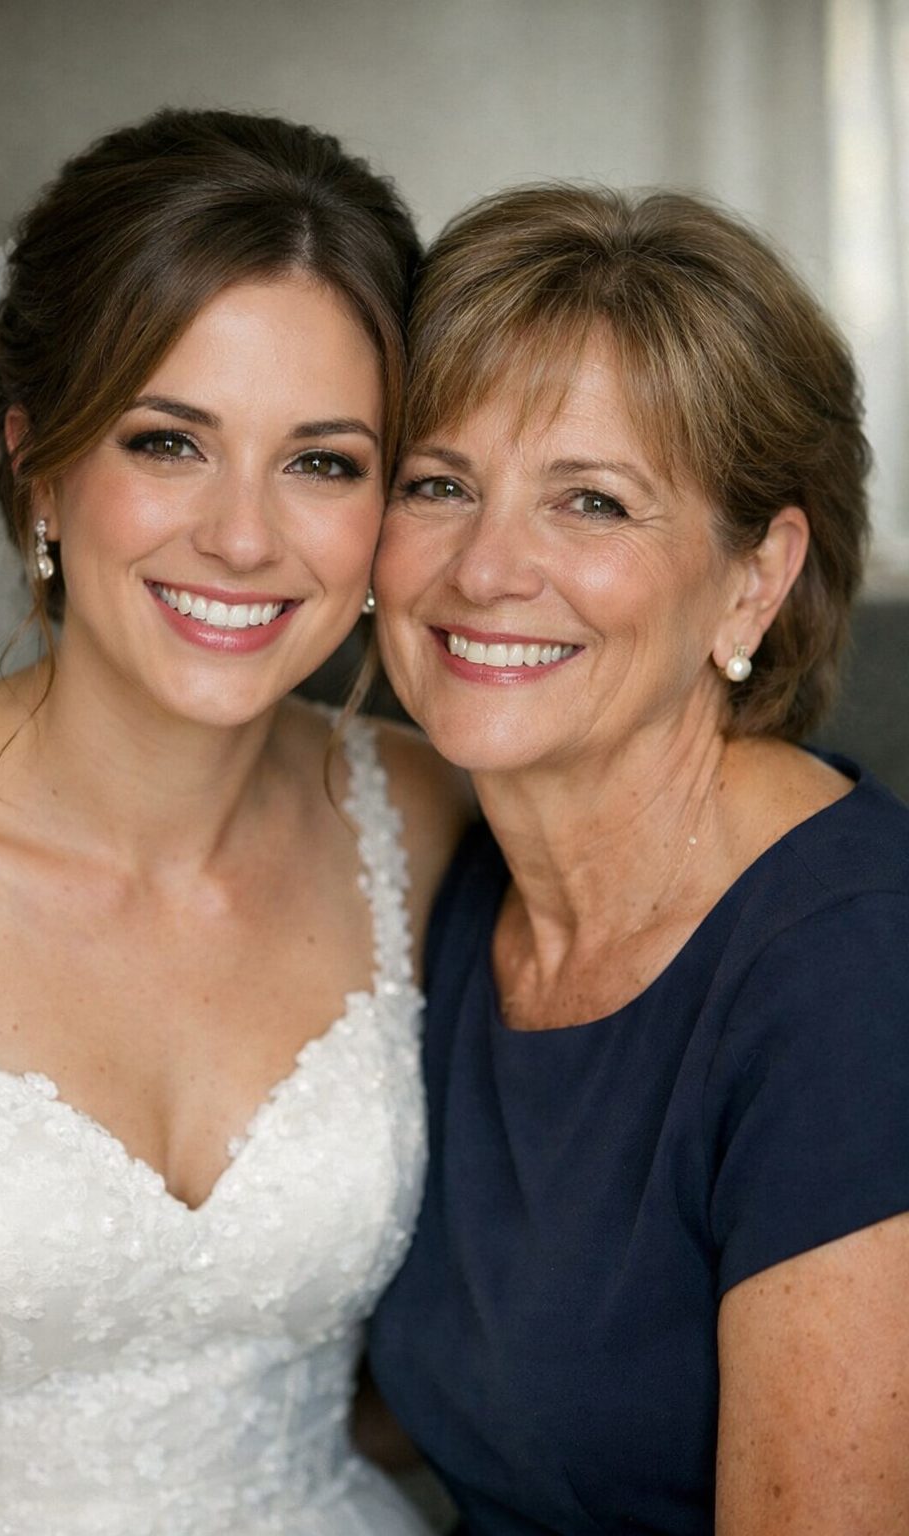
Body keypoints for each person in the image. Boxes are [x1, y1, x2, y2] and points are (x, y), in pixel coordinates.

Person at [0, 107, 467, 1533]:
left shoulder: (436, 812)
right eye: (169, 441)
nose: (246, 538)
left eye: (323, 461)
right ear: (38, 463)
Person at [368, 185, 909, 1534]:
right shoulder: (450, 877)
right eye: (438, 484)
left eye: (592, 503)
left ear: (754, 578)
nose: (487, 567)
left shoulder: (852, 978)